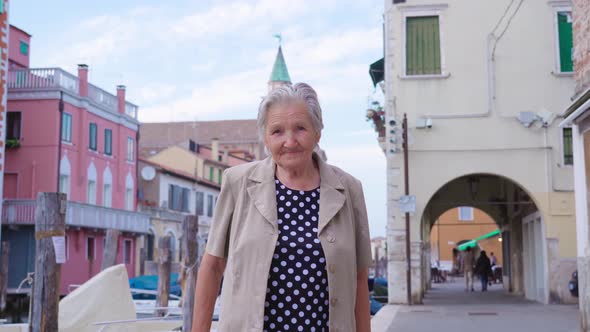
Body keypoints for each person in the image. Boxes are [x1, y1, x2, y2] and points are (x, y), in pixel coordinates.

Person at [191, 83, 372, 332]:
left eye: (300, 128)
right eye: (277, 131)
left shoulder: (349, 189)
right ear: (265, 138)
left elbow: (359, 280)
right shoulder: (238, 183)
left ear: (317, 132)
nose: (290, 141)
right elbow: (212, 267)